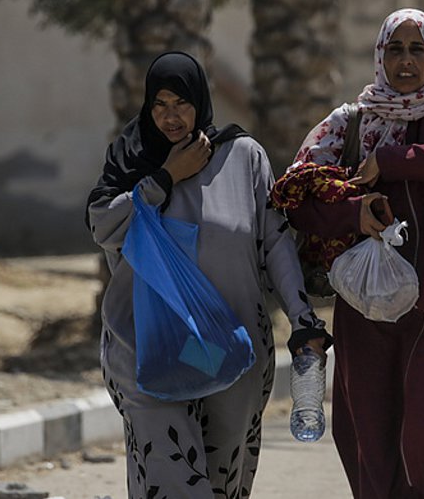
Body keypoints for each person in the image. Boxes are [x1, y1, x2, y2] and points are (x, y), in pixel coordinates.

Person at [86, 51, 331, 499]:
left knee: (222, 485)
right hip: (148, 348)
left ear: (201, 102)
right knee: (174, 484)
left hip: (234, 351)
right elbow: (103, 225)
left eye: (182, 103)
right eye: (159, 104)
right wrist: (164, 177)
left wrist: (302, 319)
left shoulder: (242, 158)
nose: (170, 116)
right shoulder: (133, 159)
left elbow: (274, 242)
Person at [278, 8, 424, 499]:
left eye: (418, 49)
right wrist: (355, 212)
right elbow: (296, 199)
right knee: (372, 449)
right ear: (380, 55)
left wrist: (388, 160)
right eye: (396, 49)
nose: (406, 61)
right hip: (365, 313)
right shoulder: (351, 123)